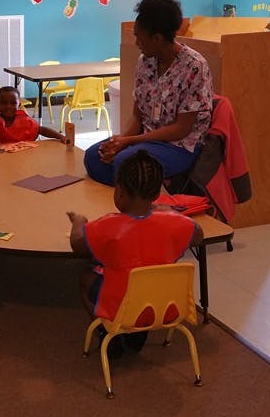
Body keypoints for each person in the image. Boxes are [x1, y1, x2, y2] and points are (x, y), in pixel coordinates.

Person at [68, 149, 202, 354]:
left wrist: (79, 221)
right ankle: (136, 332)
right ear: (156, 195)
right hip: (168, 304)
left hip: (123, 308)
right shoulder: (173, 222)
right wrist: (171, 213)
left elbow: (77, 245)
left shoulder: (107, 225)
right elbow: (198, 234)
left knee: (86, 278)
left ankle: (109, 331)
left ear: (119, 192)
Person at [84, 0, 213, 186]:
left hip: (180, 146)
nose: (136, 43)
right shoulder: (145, 62)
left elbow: (180, 130)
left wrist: (129, 142)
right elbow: (137, 116)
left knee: (124, 164)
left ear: (157, 38)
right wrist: (120, 140)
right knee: (94, 156)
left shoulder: (194, 67)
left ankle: (133, 188)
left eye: (139, 37)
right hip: (144, 140)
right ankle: (135, 186)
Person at [0, 85, 66, 148]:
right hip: (2, 158)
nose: (8, 106)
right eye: (4, 103)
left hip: (25, 156)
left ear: (19, 105)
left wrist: (61, 137)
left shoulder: (24, 119)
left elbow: (41, 130)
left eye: (13, 103)